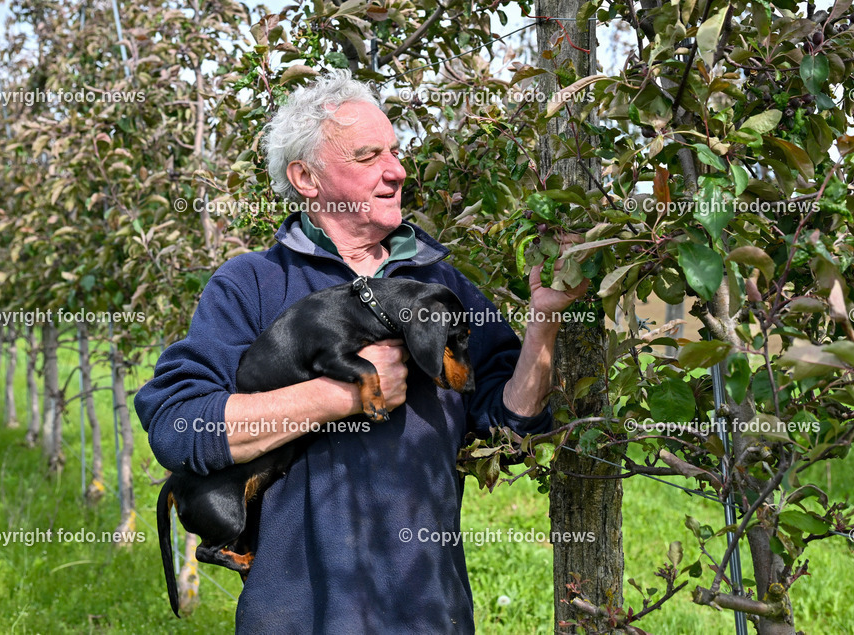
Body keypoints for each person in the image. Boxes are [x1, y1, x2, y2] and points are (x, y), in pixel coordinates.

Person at [134, 70, 587, 633]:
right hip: (298, 617)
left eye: (396, 152)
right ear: (306, 177)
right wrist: (343, 393)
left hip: (429, 612)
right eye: (369, 155)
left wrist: (545, 318)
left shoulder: (441, 284)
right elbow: (180, 427)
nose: (396, 171)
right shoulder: (250, 285)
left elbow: (513, 429)